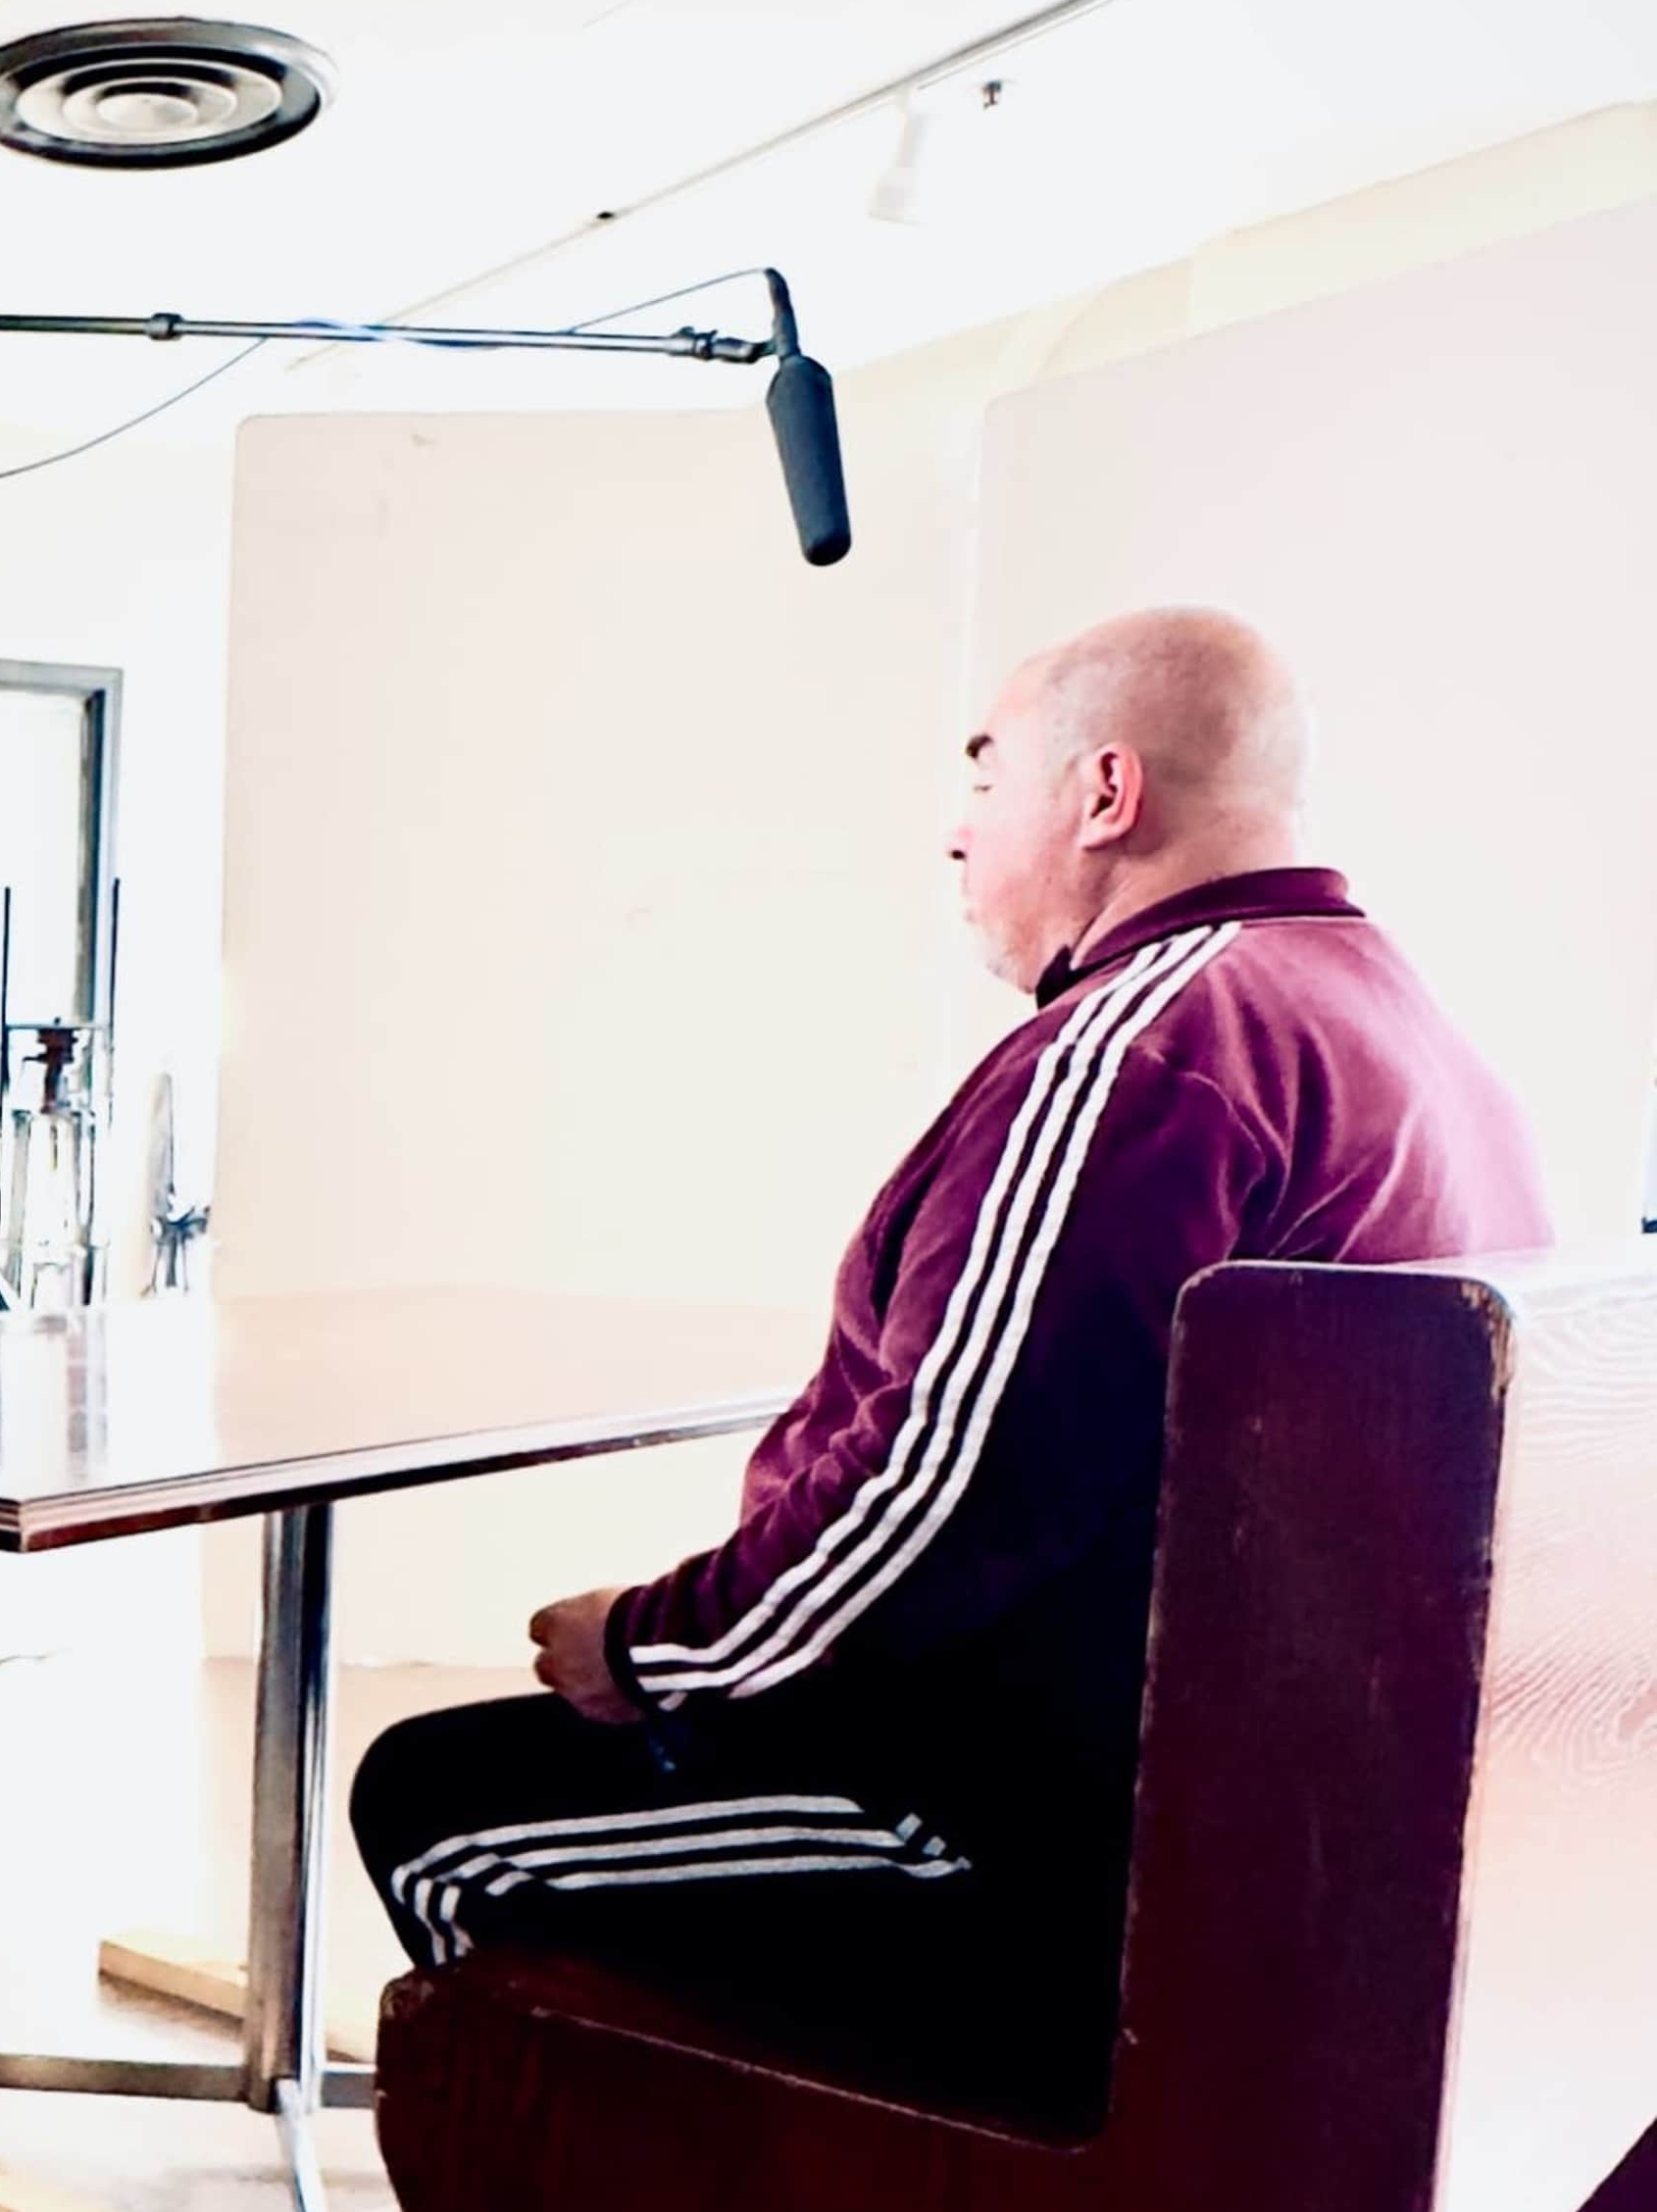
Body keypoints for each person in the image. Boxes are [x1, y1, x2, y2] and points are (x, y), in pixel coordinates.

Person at [351, 610, 1552, 2108]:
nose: (956, 832)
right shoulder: (1407, 1031)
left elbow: (943, 1488)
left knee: (436, 1799)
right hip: (1284, 1820)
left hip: (1051, 1844)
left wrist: (652, 1649)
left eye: (985, 773)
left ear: (1104, 795)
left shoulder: (1144, 1052)